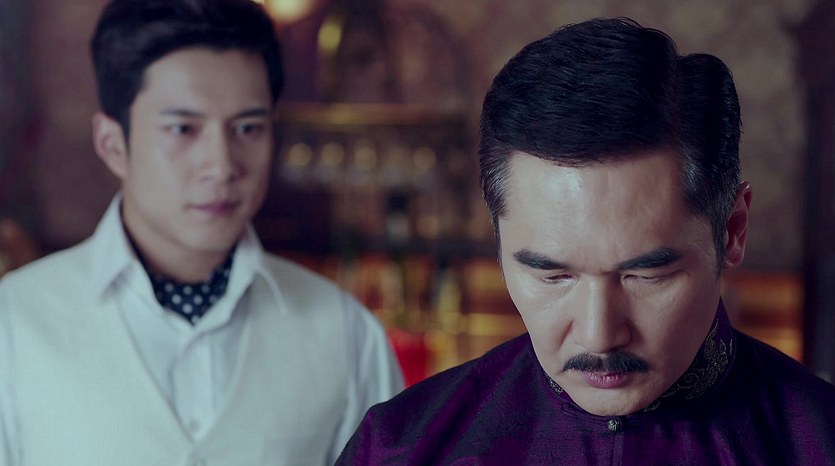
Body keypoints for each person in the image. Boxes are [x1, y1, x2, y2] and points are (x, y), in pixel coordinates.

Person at [337, 17, 835, 465]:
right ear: (499, 243)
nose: (599, 336)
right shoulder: (401, 448)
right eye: (554, 276)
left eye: (645, 275)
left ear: (733, 230)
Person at [0, 0, 403, 464]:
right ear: (113, 144)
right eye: (183, 129)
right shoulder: (15, 323)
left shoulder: (345, 333)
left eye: (247, 128)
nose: (222, 164)